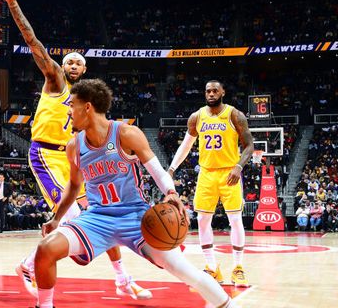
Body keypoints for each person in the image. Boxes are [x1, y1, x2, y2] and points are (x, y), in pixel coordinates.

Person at [0, 0, 149, 300]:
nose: (73, 65)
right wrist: (12, 5)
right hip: (46, 154)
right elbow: (33, 43)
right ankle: (30, 263)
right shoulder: (55, 80)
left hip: (74, 158)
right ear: (62, 66)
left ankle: (122, 278)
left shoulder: (88, 101)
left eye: (79, 62)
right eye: (69, 61)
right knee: (77, 216)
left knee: (100, 214)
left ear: (86, 69)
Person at [35, 79, 235, 308]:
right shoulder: (73, 146)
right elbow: (72, 185)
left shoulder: (126, 133)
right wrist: (56, 218)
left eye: (71, 105)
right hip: (97, 218)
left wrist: (171, 192)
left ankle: (228, 305)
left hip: (137, 218)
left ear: (87, 107)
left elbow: (158, 172)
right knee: (46, 249)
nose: (68, 112)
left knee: (183, 270)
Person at [168, 80, 254, 287]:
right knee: (203, 221)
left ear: (223, 92)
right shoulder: (197, 117)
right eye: (208, 91)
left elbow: (250, 145)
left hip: (229, 173)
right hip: (206, 173)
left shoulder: (234, 114)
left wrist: (239, 166)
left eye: (215, 90)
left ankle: (238, 269)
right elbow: (186, 147)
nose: (212, 93)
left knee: (235, 220)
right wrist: (171, 169)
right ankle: (212, 268)